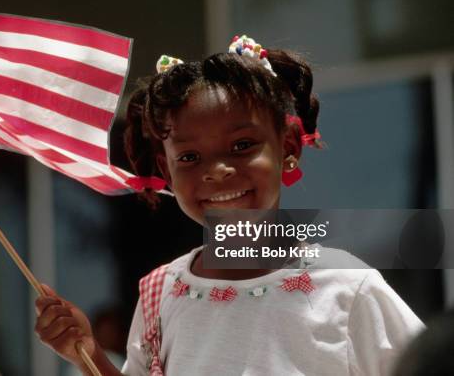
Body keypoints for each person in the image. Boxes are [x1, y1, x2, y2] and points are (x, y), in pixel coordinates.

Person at [34, 35, 425, 375]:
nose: (217, 171)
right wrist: (86, 354)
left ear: (287, 147)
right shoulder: (162, 295)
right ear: (165, 171)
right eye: (189, 158)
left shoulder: (346, 288)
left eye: (241, 146)